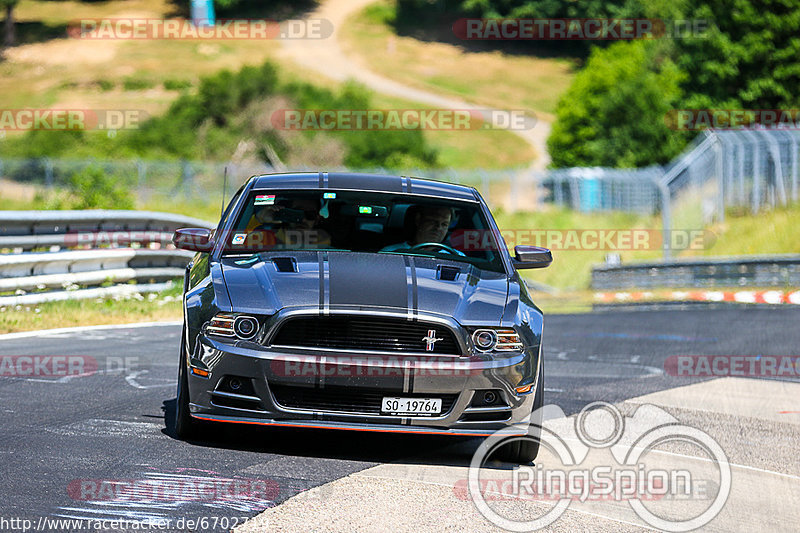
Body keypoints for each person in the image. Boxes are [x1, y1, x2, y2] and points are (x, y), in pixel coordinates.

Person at [381, 205, 464, 255]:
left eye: (444, 224)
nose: (438, 228)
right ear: (418, 220)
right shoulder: (390, 252)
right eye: (432, 221)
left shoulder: (457, 256)